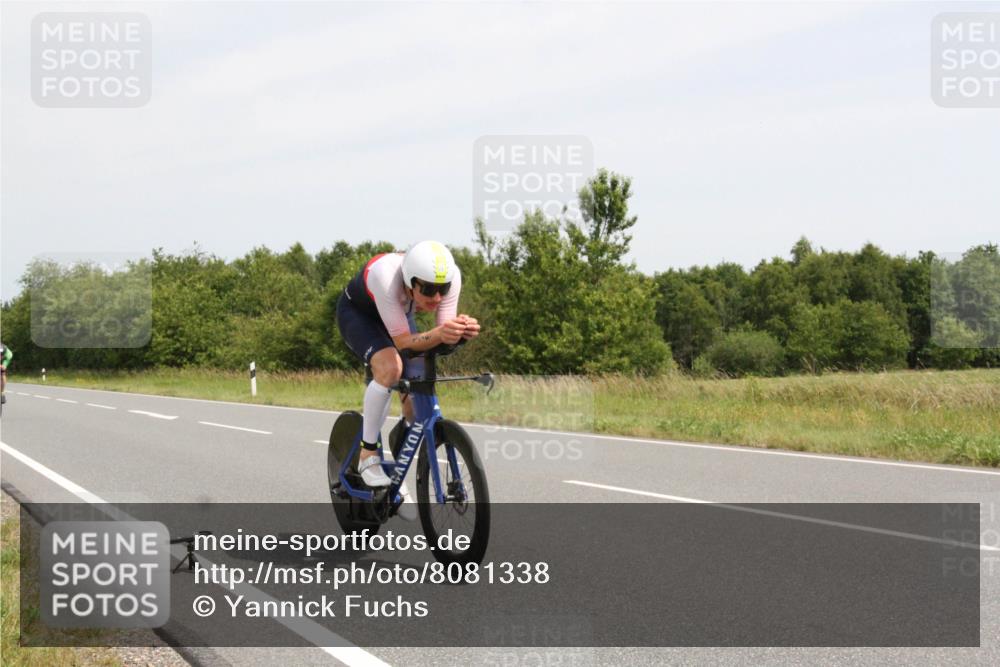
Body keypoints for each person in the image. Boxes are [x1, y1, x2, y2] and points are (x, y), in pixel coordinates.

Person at [336, 241, 480, 507]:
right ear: (410, 281)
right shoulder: (385, 275)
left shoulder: (452, 276)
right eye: (427, 290)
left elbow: (440, 340)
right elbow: (403, 343)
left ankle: (400, 440)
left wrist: (459, 334)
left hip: (399, 315)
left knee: (415, 399)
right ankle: (368, 454)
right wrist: (440, 334)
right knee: (391, 368)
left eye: (442, 290)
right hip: (361, 316)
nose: (436, 298)